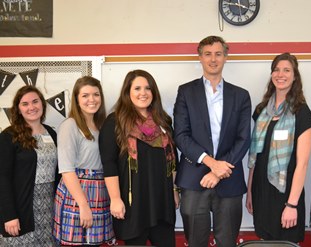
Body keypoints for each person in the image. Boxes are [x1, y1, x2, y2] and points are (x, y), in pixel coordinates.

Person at [173, 36, 252, 247]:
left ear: (226, 57)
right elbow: (181, 135)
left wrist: (219, 170)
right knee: (196, 242)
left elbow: (244, 139)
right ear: (200, 58)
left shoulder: (241, 95)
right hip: (193, 179)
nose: (213, 59)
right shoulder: (186, 92)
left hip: (229, 179)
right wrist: (212, 164)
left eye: (218, 54)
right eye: (207, 54)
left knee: (227, 242)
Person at [99, 69, 179, 247]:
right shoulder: (115, 122)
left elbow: (173, 160)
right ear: (127, 92)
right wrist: (115, 199)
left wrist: (174, 191)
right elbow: (109, 163)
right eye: (137, 88)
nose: (143, 93)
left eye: (147, 88)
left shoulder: (163, 122)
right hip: (133, 205)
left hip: (162, 203)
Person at [246, 52, 311, 243]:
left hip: (286, 194)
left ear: (295, 76)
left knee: (286, 242)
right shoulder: (261, 111)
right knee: (265, 242)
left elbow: (303, 163)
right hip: (261, 191)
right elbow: (255, 156)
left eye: (286, 70)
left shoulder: (301, 111)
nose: (280, 74)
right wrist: (250, 191)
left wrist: (292, 205)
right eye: (276, 70)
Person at [53, 76, 115, 245]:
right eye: (85, 95)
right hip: (78, 193)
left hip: (99, 190)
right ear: (76, 99)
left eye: (96, 94)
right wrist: (83, 205)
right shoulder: (70, 125)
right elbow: (66, 170)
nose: (92, 100)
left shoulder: (101, 125)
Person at [0, 86, 58, 246]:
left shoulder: (51, 133)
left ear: (42, 104)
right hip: (22, 206)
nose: (31, 107)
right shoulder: (9, 136)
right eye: (25, 104)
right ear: (18, 109)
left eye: (35, 101)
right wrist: (9, 215)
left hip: (49, 207)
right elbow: (2, 178)